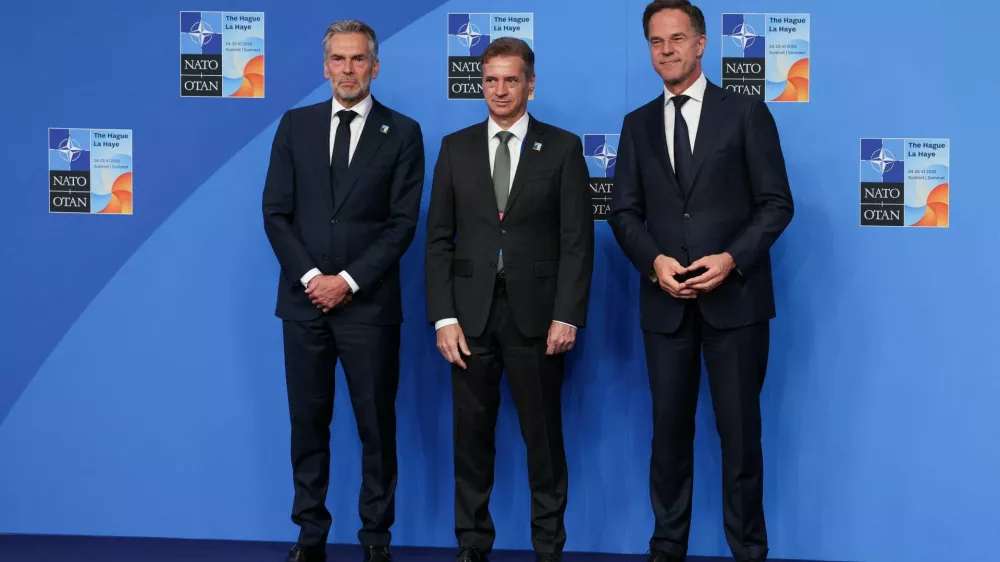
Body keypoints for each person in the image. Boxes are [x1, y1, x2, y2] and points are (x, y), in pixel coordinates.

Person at [608, 1, 794, 561]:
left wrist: (731, 259)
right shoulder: (637, 124)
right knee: (667, 437)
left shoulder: (746, 113)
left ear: (701, 43)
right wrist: (655, 263)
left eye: (676, 38)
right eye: (655, 41)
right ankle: (667, 547)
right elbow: (623, 212)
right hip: (665, 306)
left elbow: (776, 204)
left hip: (735, 304)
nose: (666, 50)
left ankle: (748, 550)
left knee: (740, 439)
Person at [424, 37, 594, 562]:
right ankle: (472, 543)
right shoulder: (455, 147)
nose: (500, 90)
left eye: (511, 80)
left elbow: (577, 240)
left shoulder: (562, 147)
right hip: (469, 318)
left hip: (538, 318)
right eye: (491, 80)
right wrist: (443, 317)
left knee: (543, 440)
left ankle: (548, 547)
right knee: (471, 438)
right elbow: (438, 239)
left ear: (530, 84)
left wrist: (567, 314)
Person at [261, 19, 424, 562]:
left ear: (375, 66)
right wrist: (313, 279)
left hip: (369, 306)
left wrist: (348, 281)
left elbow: (402, 224)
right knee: (308, 424)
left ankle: (376, 538)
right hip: (303, 304)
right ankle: (310, 535)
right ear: (325, 65)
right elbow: (275, 213)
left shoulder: (403, 132)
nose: (348, 70)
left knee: (376, 425)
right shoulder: (295, 125)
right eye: (338, 59)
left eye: (358, 59)